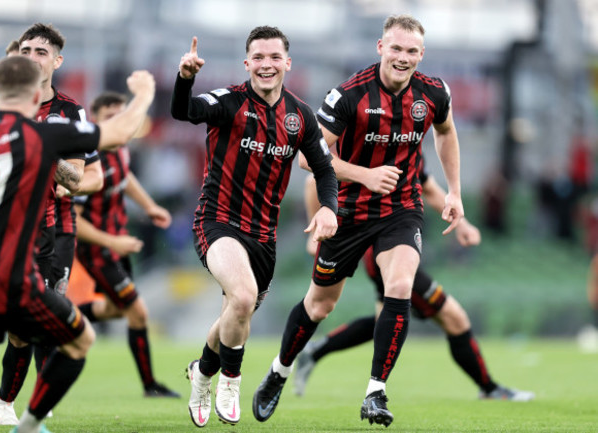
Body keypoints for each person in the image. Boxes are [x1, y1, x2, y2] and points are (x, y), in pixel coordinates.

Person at [252, 14, 463, 427]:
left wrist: (454, 191)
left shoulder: (435, 92)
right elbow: (307, 158)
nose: (403, 57)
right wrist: (365, 175)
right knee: (320, 305)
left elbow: (446, 132)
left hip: (401, 209)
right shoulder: (348, 95)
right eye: (396, 48)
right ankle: (278, 371)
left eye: (412, 51)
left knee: (400, 283)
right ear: (380, 47)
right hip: (347, 210)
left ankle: (375, 392)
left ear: (422, 54)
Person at [0, 55, 156, 433]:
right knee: (80, 341)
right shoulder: (42, 135)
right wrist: (143, 95)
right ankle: (28, 427)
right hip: (12, 276)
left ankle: (11, 408)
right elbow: (119, 134)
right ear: (33, 98)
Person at [171, 26, 338, 427]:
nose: (267, 64)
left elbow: (324, 170)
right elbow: (184, 111)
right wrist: (185, 78)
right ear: (247, 63)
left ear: (287, 63)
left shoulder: (301, 117)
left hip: (264, 235)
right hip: (218, 221)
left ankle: (202, 374)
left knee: (234, 313)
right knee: (243, 298)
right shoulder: (229, 102)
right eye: (258, 58)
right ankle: (230, 379)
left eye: (274, 57)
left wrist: (328, 209)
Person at [0, 25, 103, 425]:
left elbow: (84, 179)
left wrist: (41, 155)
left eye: (40, 51)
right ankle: (10, 403)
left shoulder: (70, 112)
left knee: (42, 325)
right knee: (23, 327)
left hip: (53, 228)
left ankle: (28, 401)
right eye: (26, 50)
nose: (32, 57)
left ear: (56, 61)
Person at [294, 174, 535, 401]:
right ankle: (489, 389)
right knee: (454, 318)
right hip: (388, 253)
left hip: (393, 249)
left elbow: (429, 188)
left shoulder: (409, 141)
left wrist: (461, 224)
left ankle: (315, 351)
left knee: (384, 321)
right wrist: (314, 228)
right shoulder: (378, 143)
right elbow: (311, 180)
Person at [73, 91, 180, 398]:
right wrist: (111, 241)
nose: (118, 124)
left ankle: (59, 317)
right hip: (97, 248)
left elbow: (126, 178)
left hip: (117, 244)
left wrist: (149, 206)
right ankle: (150, 386)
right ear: (95, 120)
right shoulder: (87, 159)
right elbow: (74, 221)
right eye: (110, 118)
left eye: (122, 118)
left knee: (117, 309)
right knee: (138, 312)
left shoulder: (120, 149)